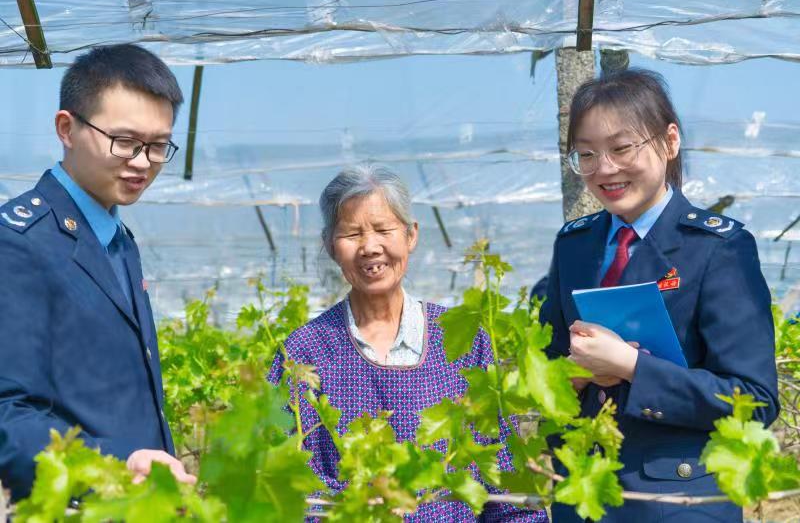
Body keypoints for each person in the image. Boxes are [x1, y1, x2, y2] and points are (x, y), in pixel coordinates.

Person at [541, 69, 779, 522]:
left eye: (621, 148)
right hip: (584, 491)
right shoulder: (573, 246)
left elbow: (755, 399)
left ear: (669, 142)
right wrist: (572, 376)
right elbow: (549, 363)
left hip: (677, 500)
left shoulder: (716, 247)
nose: (604, 169)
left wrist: (630, 367)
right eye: (586, 155)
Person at [269, 166, 546, 521]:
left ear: (411, 235)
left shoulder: (461, 340)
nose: (370, 247)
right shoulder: (304, 352)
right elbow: (285, 488)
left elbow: (502, 479)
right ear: (329, 245)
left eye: (384, 229)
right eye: (352, 234)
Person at [0, 44, 196, 500]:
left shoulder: (118, 241)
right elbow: (7, 415)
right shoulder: (19, 242)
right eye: (125, 141)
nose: (144, 162)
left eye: (159, 145)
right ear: (66, 129)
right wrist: (113, 466)